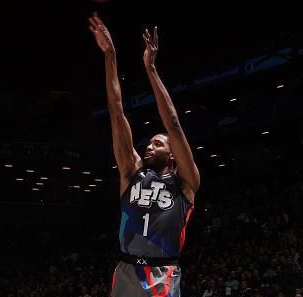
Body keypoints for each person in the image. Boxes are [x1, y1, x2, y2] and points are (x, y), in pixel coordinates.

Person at [89, 13, 200, 297]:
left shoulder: (185, 183)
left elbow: (173, 123)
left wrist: (150, 69)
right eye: (149, 143)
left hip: (162, 274)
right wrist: (110, 55)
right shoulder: (132, 172)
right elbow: (117, 111)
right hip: (126, 271)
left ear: (173, 155)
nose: (150, 147)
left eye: (158, 144)